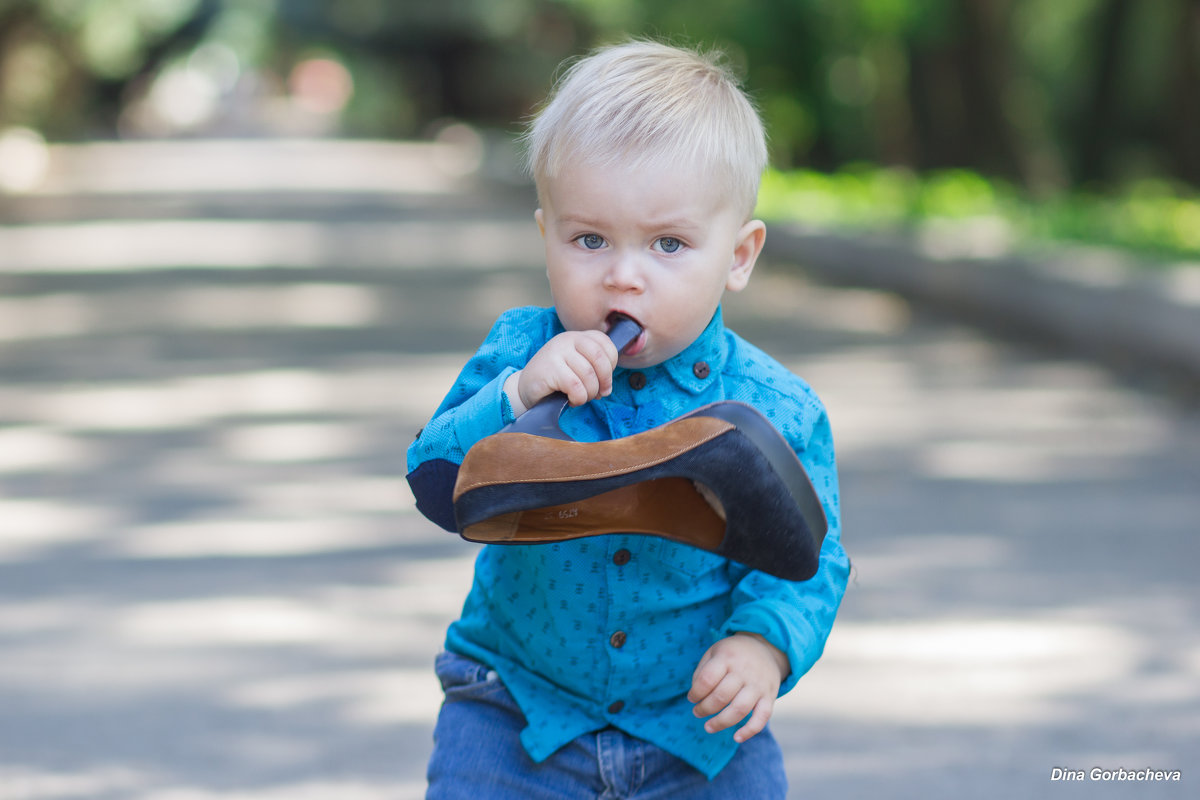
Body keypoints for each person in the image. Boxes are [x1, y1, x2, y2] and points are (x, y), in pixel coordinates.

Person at [407, 39, 849, 799]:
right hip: (516, 706)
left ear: (738, 256)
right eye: (589, 239)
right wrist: (516, 397)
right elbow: (437, 479)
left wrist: (762, 646)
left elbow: (810, 560)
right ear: (546, 238)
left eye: (669, 244)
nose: (623, 273)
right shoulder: (521, 353)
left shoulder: (776, 408)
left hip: (697, 732)